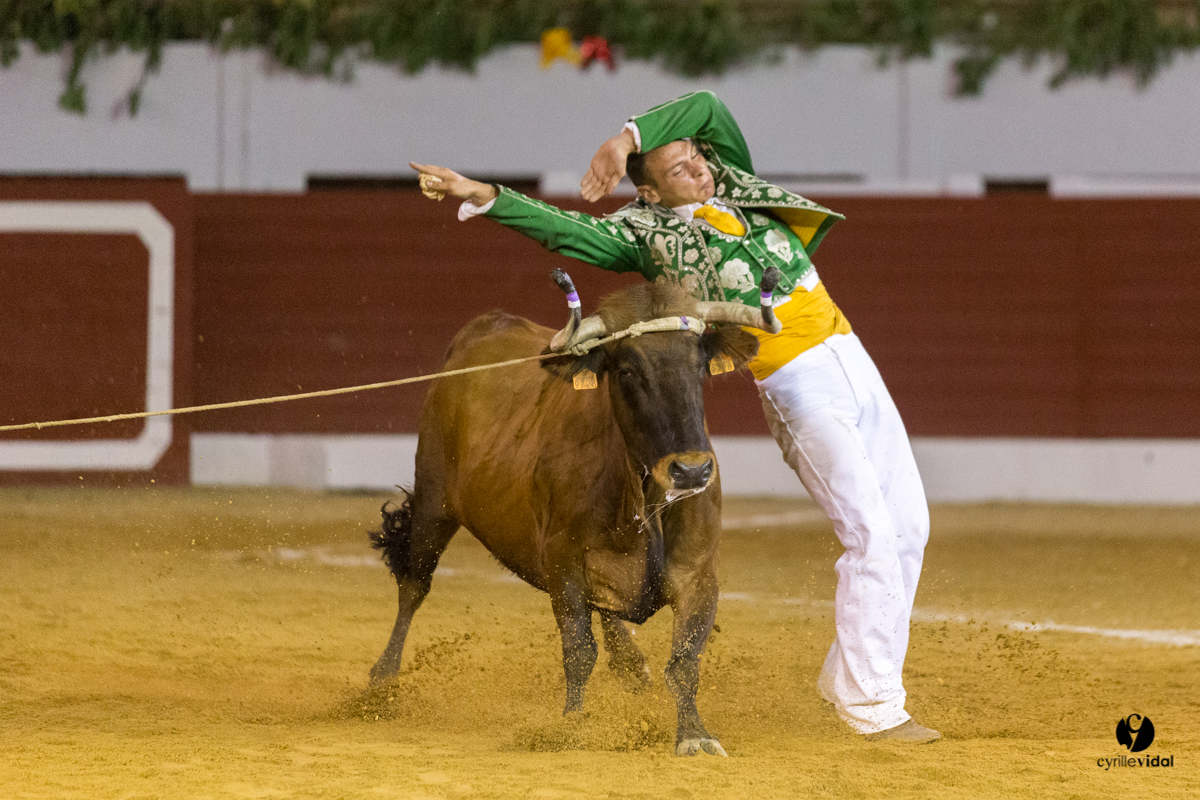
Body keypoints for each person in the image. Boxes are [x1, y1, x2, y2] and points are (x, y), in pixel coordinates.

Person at [411, 90, 938, 743]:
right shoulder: (641, 232)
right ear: (652, 194)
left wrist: (627, 137)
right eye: (682, 167)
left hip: (849, 353)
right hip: (797, 380)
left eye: (698, 159)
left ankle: (849, 676)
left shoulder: (736, 184)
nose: (701, 167)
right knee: (870, 533)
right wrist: (481, 192)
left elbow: (709, 108)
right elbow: (562, 227)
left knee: (910, 526)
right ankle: (872, 704)